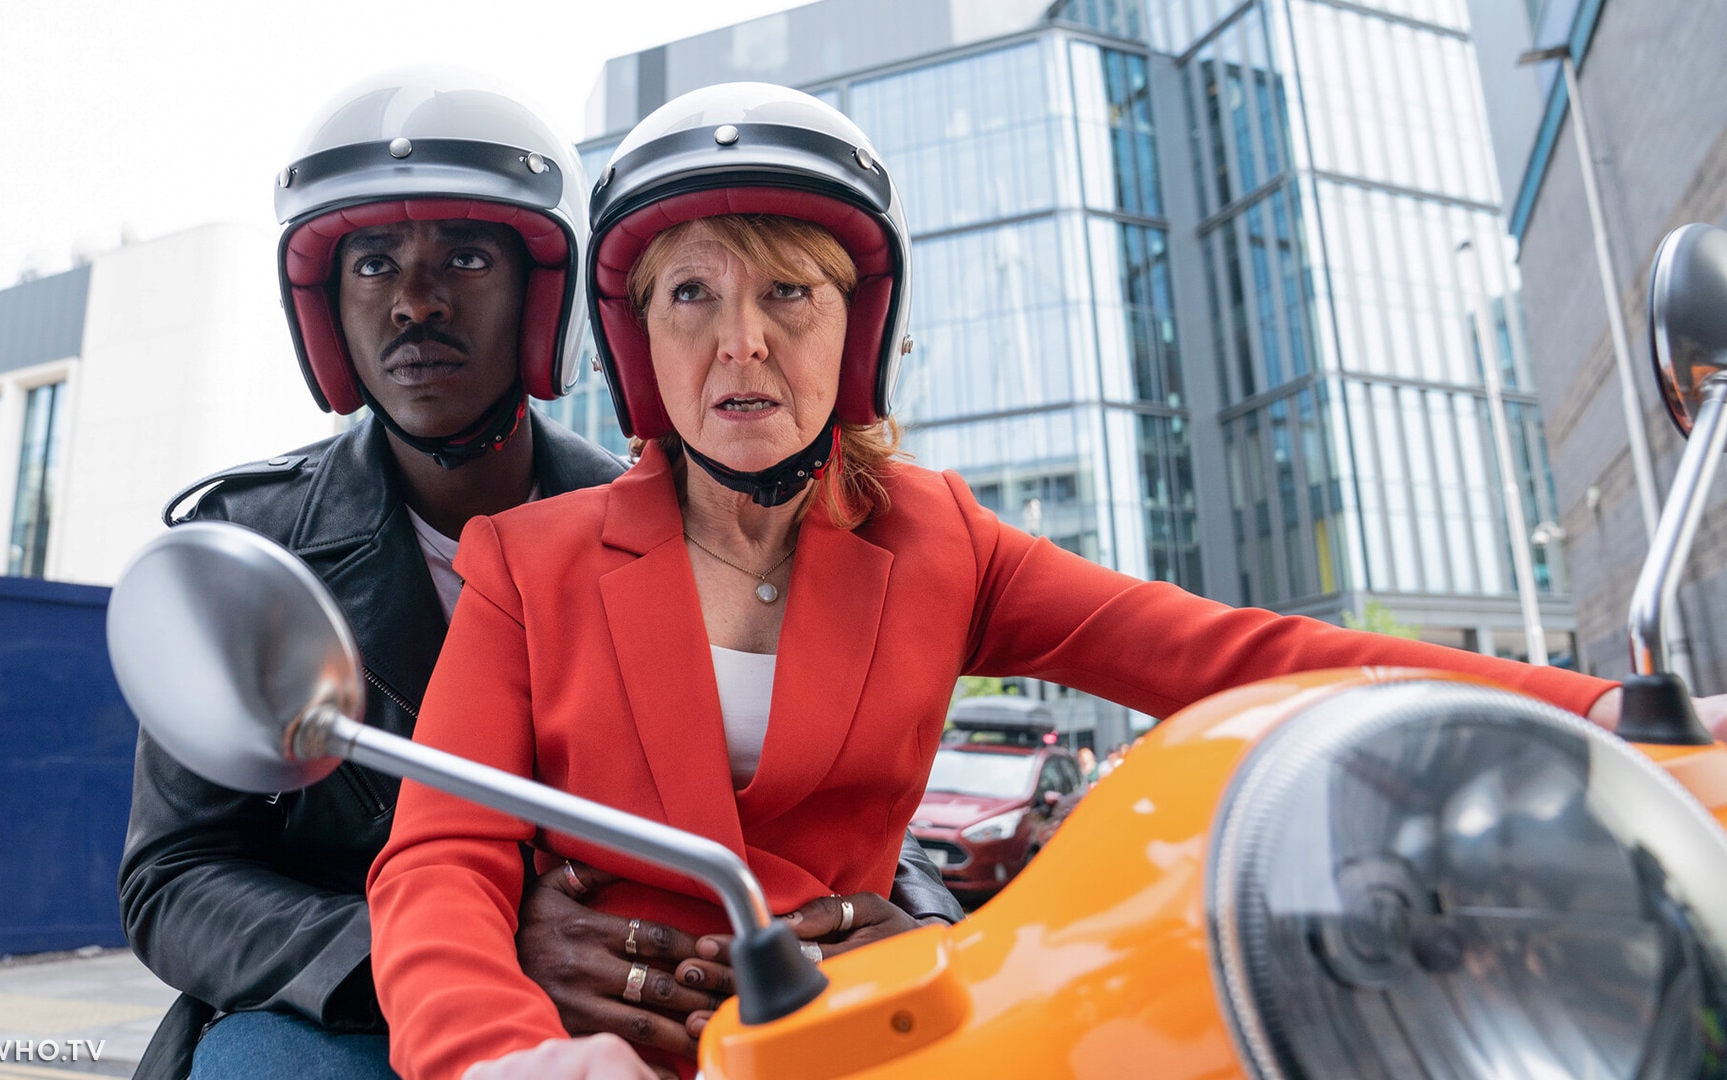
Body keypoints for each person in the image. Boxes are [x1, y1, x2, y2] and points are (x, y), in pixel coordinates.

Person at [364, 81, 1727, 1080]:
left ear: (855, 331)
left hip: (860, 1043)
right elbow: (439, 857)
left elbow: (1235, 657)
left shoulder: (937, 538)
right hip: (593, 1057)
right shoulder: (530, 561)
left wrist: (1607, 717)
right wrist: (503, 1060)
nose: (743, 348)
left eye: (790, 297)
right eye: (692, 298)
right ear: (638, 338)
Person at [118, 69, 964, 1080]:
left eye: (465, 258)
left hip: (650, 1009)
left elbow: (815, 780)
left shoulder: (687, 530)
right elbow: (174, 876)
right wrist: (460, 950)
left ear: (544, 300)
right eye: (374, 265)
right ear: (328, 309)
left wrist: (920, 922)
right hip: (348, 1016)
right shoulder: (251, 547)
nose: (414, 303)